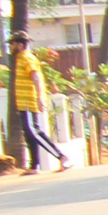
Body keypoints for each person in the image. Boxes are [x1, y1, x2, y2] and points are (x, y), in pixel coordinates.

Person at [8, 31, 68, 173]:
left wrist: (40, 96)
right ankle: (34, 166)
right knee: (29, 133)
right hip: (24, 102)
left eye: (12, 44)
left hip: (29, 101)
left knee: (33, 131)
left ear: (20, 44)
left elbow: (36, 77)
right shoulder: (21, 58)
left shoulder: (26, 57)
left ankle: (61, 157)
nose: (10, 47)